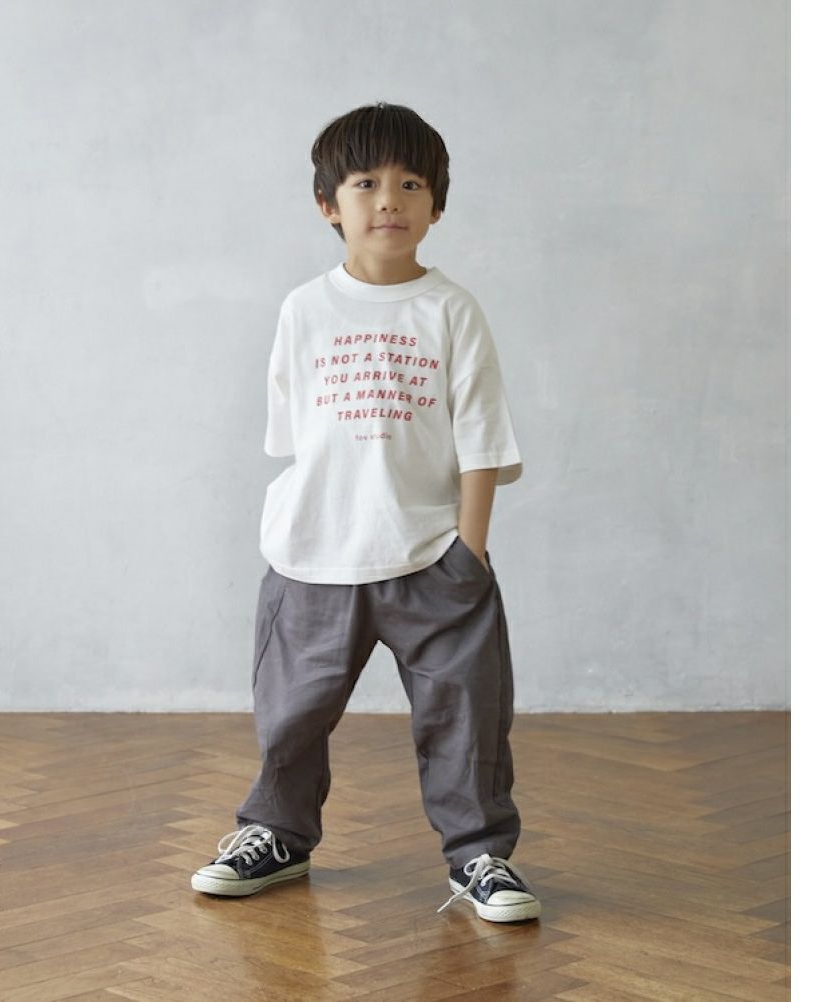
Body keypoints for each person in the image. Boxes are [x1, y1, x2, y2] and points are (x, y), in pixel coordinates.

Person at [191, 102, 540, 922]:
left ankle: (479, 856)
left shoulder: (450, 310)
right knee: (291, 714)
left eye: (411, 184)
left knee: (467, 718)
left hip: (434, 554)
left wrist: (470, 553)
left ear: (437, 205)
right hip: (315, 551)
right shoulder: (304, 309)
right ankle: (276, 835)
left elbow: (482, 437)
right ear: (328, 204)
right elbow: (295, 435)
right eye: (365, 183)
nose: (389, 200)